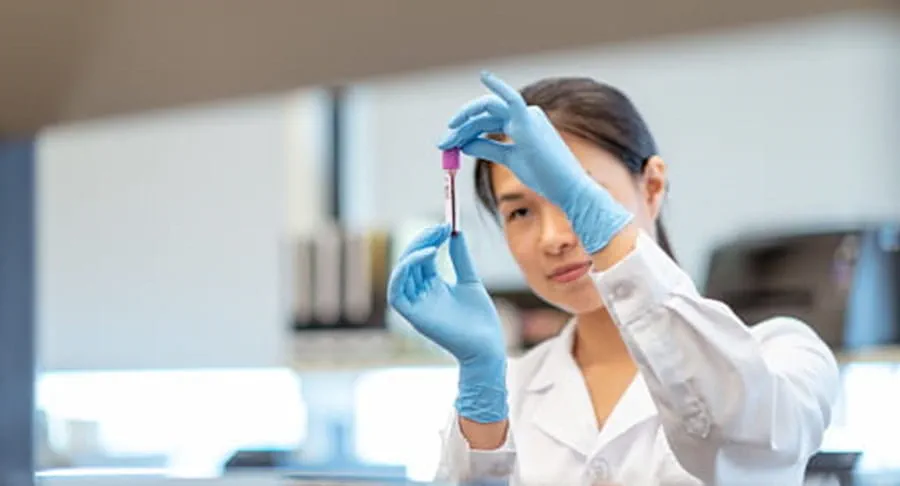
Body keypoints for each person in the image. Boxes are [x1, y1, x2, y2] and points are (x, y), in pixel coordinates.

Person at [387, 71, 839, 485]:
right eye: (520, 212)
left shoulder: (784, 355)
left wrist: (605, 232)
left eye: (575, 193)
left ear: (652, 186)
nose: (553, 237)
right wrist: (482, 381)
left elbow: (742, 448)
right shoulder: (512, 391)